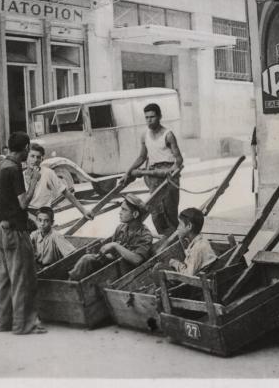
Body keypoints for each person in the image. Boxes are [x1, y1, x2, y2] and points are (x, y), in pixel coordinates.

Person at [0, 131, 47, 335]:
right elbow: (23, 203)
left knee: (5, 278)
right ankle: (24, 325)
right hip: (16, 230)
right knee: (23, 277)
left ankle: (5, 322)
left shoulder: (1, 166)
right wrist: (34, 181)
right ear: (25, 148)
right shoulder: (14, 169)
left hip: (3, 229)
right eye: (29, 149)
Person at [121, 103, 184, 237]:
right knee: (156, 212)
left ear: (159, 117)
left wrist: (172, 171)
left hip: (168, 176)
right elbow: (142, 157)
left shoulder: (168, 135)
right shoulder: (145, 135)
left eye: (152, 117)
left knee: (170, 211)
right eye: (147, 117)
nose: (149, 120)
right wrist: (128, 172)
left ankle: (178, 240)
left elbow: (179, 159)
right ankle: (165, 241)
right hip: (153, 177)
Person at [68, 193, 153, 281]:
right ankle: (71, 282)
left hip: (127, 273)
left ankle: (71, 285)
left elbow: (137, 259)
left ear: (135, 214)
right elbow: (113, 254)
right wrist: (99, 252)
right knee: (87, 260)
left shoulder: (145, 235)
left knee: (86, 260)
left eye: (124, 210)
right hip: (115, 267)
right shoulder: (121, 228)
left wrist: (115, 245)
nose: (120, 213)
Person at [24, 143, 88, 223]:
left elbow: (66, 192)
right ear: (26, 157)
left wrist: (83, 211)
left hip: (43, 214)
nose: (35, 160)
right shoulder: (20, 176)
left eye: (38, 157)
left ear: (42, 159)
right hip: (26, 214)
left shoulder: (48, 173)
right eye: (32, 156)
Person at [168, 208, 217, 276]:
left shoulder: (198, 248)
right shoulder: (200, 242)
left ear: (189, 226)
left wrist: (176, 264)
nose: (178, 228)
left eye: (180, 224)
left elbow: (188, 275)